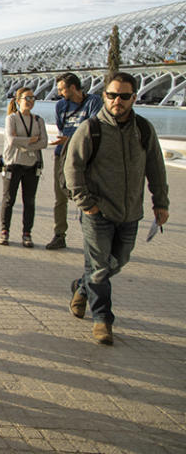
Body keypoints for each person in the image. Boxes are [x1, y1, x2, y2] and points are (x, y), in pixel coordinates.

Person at [64, 72, 168, 345]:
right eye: (111, 95)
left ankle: (82, 287)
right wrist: (87, 204)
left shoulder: (143, 130)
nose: (117, 101)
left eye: (124, 96)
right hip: (98, 213)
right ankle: (102, 320)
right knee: (99, 268)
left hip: (130, 213)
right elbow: (72, 168)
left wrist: (161, 203)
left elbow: (156, 168)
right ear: (104, 96)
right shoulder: (91, 129)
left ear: (134, 97)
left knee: (118, 261)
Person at [46, 72, 102, 249]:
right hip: (62, 155)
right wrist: (68, 142)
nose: (60, 92)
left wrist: (71, 140)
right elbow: (62, 128)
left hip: (85, 158)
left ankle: (91, 237)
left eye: (63, 89)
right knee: (60, 197)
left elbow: (94, 130)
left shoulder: (94, 102)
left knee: (86, 196)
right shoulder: (61, 105)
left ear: (73, 87)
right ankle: (59, 235)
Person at [0, 87, 48, 247]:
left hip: (31, 165)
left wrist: (24, 142)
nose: (30, 101)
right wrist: (31, 141)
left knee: (29, 201)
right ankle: (4, 232)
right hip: (13, 164)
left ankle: (27, 234)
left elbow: (44, 142)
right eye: (27, 98)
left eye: (33, 98)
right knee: (8, 200)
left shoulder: (38, 120)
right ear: (18, 100)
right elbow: (11, 140)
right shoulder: (11, 118)